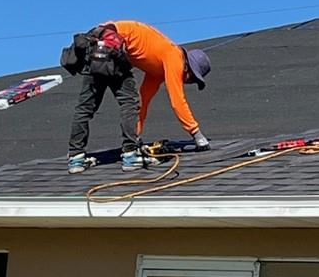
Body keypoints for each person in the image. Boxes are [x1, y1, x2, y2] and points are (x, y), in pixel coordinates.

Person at [67, 20, 211, 173]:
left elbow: (144, 101)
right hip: (111, 47)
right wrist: (197, 135)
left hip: (96, 47)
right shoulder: (174, 56)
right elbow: (177, 100)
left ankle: (76, 158)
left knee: (86, 107)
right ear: (188, 68)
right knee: (130, 103)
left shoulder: (156, 70)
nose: (187, 82)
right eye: (192, 79)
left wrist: (137, 134)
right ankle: (130, 156)